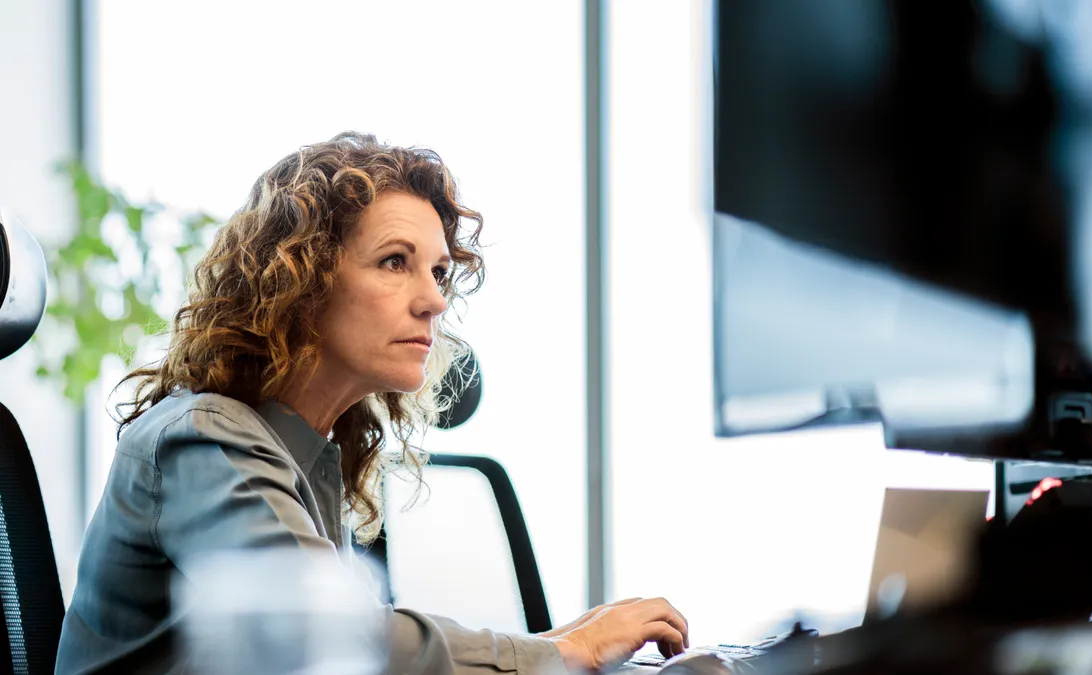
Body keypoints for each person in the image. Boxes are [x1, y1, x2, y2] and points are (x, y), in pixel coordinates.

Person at [55, 132, 689, 674]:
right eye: (394, 262)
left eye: (438, 272)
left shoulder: (306, 450)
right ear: (299, 281)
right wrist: (565, 651)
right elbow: (337, 636)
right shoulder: (203, 439)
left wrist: (562, 644)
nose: (434, 301)